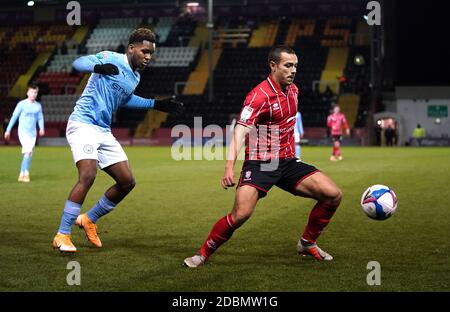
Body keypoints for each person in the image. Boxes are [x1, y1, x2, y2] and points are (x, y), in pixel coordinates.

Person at [183, 45, 343, 268]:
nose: (293, 70)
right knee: (241, 214)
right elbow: (239, 131)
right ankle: (202, 254)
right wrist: (229, 167)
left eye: (295, 65)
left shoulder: (294, 90)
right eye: (288, 65)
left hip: (287, 162)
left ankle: (307, 243)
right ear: (273, 65)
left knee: (333, 195)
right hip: (261, 164)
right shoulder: (258, 96)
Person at [52, 28, 184, 253]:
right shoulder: (110, 58)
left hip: (103, 130)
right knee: (88, 175)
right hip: (83, 123)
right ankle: (62, 234)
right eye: (144, 51)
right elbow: (78, 63)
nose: (148, 57)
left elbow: (126, 99)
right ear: (131, 48)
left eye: (151, 53)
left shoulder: (135, 77)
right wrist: (97, 67)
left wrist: (156, 104)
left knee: (127, 182)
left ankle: (88, 219)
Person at [4, 84, 45, 182]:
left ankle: (23, 173)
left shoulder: (38, 106)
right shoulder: (21, 104)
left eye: (35, 92)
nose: (33, 94)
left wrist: (41, 128)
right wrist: (8, 130)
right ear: (27, 93)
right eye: (31, 92)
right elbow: (14, 117)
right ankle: (25, 173)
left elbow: (40, 118)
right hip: (23, 132)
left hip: (33, 133)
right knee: (28, 151)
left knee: (28, 154)